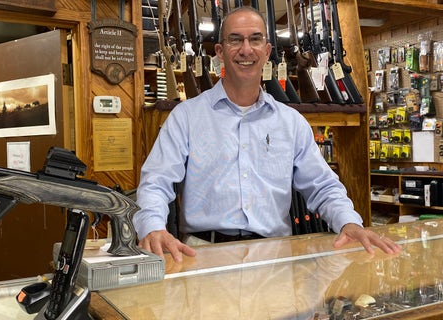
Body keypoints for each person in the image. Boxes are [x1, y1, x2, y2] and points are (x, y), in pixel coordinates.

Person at [133, 7, 402, 262]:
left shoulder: (291, 122)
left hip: (275, 258)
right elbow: (156, 182)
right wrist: (153, 227)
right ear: (219, 51)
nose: (246, 49)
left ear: (267, 50)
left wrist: (349, 222)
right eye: (235, 40)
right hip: (202, 255)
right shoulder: (186, 117)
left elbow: (323, 186)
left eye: (255, 39)